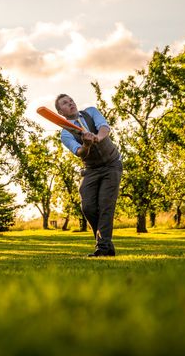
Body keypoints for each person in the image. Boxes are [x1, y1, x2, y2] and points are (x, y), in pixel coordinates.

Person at [55, 94, 122, 257]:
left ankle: (103, 248)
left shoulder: (91, 112)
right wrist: (86, 144)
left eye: (71, 99)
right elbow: (79, 152)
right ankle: (106, 244)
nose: (70, 102)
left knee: (106, 204)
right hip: (91, 169)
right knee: (88, 207)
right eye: (65, 103)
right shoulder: (65, 134)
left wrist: (97, 137)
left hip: (112, 164)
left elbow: (104, 127)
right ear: (60, 112)